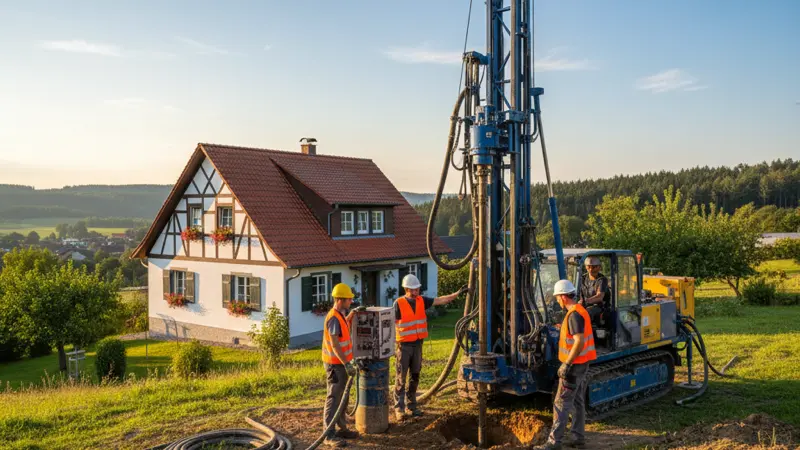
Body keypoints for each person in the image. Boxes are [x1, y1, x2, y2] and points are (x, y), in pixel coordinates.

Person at [393, 273, 466, 421]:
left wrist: (457, 294)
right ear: (406, 289)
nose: (416, 292)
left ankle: (411, 406)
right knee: (401, 377)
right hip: (404, 346)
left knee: (415, 375)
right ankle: (399, 409)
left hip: (418, 344)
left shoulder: (422, 300)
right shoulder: (398, 303)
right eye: (413, 289)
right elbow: (390, 323)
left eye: (417, 289)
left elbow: (442, 300)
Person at [538, 279, 597, 450]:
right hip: (582, 364)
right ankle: (578, 438)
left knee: (561, 403)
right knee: (577, 401)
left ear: (563, 297)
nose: (557, 300)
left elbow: (578, 342)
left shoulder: (574, 315)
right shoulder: (579, 311)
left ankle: (553, 442)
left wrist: (566, 364)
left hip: (573, 367)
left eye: (557, 297)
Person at [321, 283, 364, 448]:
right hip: (335, 365)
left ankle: (341, 428)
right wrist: (347, 363)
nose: (351, 301)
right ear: (339, 300)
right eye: (348, 299)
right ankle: (328, 434)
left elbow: (342, 329)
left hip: (342, 364)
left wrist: (352, 314)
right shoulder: (333, 317)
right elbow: (335, 344)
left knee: (343, 398)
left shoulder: (340, 315)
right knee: (333, 398)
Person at [580, 256, 610, 326]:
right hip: (584, 305)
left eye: (594, 267)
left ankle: (584, 332)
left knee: (587, 312)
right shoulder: (582, 278)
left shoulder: (602, 280)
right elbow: (578, 292)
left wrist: (586, 301)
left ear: (599, 267)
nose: (591, 269)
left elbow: (599, 297)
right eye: (588, 267)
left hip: (599, 307)